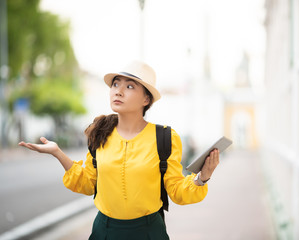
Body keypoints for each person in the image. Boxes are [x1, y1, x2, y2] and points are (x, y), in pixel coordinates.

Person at [18, 60, 220, 239]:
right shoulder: (100, 133)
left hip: (148, 232)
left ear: (146, 99)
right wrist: (57, 153)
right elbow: (87, 183)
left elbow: (176, 190)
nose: (118, 91)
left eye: (130, 86)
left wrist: (202, 177)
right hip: (105, 231)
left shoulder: (165, 138)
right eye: (116, 84)